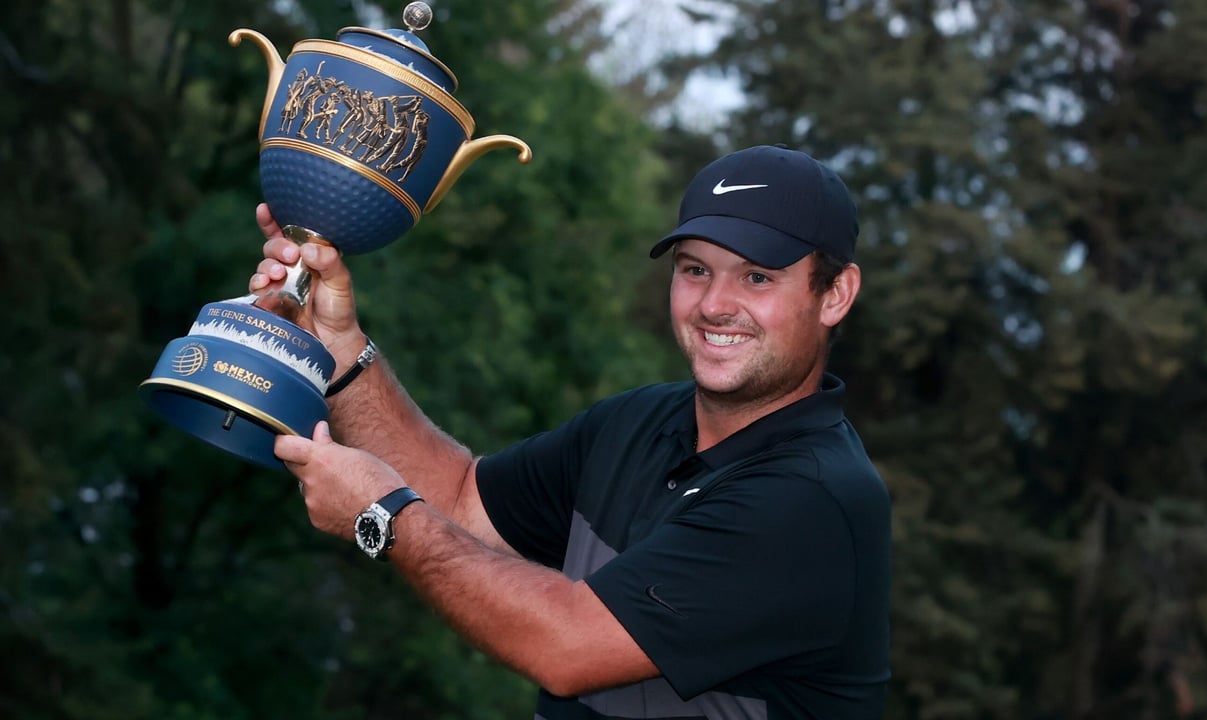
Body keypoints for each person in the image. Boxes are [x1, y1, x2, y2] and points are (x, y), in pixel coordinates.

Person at [250, 144, 892, 719]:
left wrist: (382, 516)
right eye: (696, 269)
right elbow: (462, 499)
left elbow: (568, 646)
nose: (715, 304)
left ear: (835, 294)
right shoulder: (639, 422)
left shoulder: (812, 498)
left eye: (757, 276)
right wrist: (338, 346)